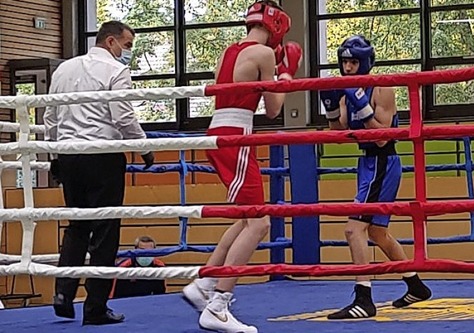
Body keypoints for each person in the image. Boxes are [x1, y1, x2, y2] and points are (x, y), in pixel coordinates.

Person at [181, 1, 302, 332]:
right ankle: (218, 305)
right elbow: (274, 110)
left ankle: (204, 283)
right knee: (260, 223)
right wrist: (287, 71)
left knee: (245, 218)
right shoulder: (263, 55)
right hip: (237, 134)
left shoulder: (227, 51)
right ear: (277, 26)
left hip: (218, 130)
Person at [43, 20, 154, 325]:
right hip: (103, 156)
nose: (128, 52)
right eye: (127, 45)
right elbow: (122, 116)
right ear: (110, 41)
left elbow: (50, 115)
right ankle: (94, 308)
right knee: (105, 231)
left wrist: (55, 154)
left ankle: (62, 294)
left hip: (69, 156)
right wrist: (144, 147)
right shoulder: (116, 71)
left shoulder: (64, 69)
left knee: (77, 226)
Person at [319, 35, 432, 319]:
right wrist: (332, 107)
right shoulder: (347, 91)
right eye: (344, 61)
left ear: (365, 62)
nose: (347, 67)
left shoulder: (382, 90)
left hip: (383, 161)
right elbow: (338, 133)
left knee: (353, 229)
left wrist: (363, 106)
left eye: (353, 62)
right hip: (368, 163)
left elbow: (382, 138)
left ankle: (364, 298)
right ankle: (415, 285)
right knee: (377, 232)